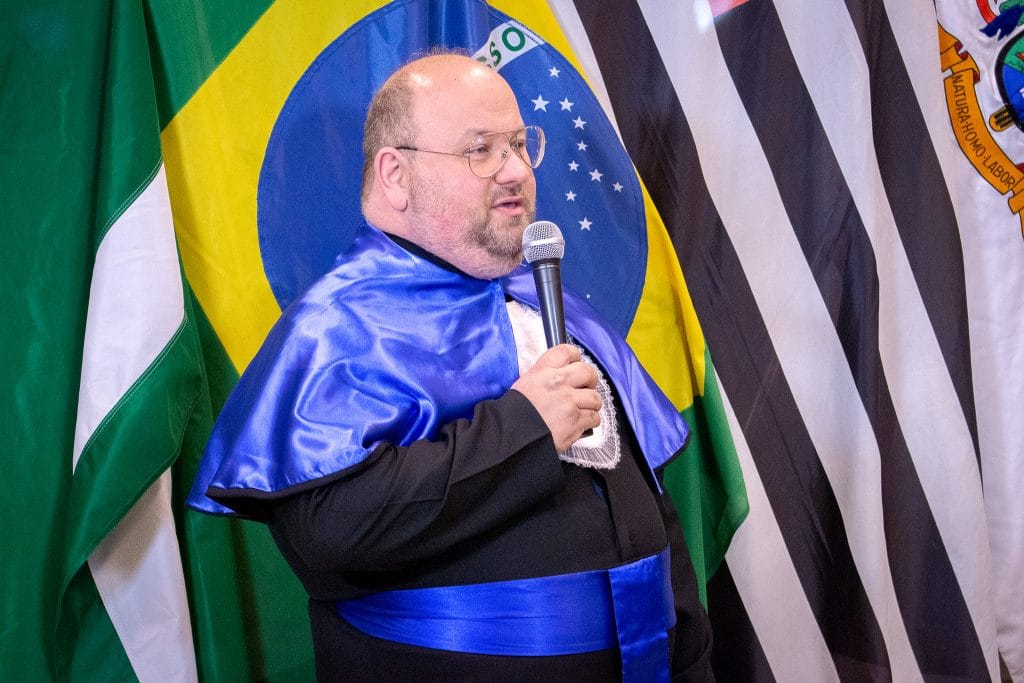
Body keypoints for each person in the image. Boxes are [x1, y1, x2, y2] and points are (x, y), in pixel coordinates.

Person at [188, 51, 714, 681]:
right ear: (395, 176)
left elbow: (650, 508)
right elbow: (331, 536)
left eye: (518, 145)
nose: (515, 170)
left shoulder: (548, 300)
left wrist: (691, 659)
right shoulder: (336, 327)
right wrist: (526, 428)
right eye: (480, 150)